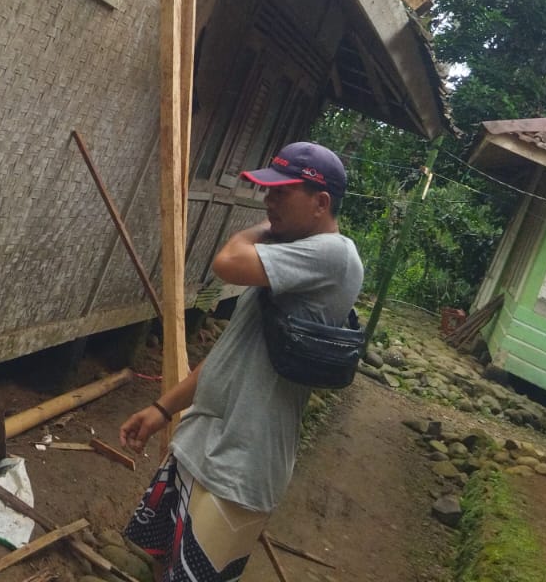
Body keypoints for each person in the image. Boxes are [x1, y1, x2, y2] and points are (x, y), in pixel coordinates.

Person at [117, 141, 363, 582]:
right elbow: (230, 352)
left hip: (242, 464)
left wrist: (265, 229)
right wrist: (162, 409)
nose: (268, 202)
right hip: (202, 442)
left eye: (281, 193)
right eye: (268, 192)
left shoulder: (335, 254)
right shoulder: (288, 257)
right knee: (160, 563)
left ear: (321, 203)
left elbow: (227, 261)